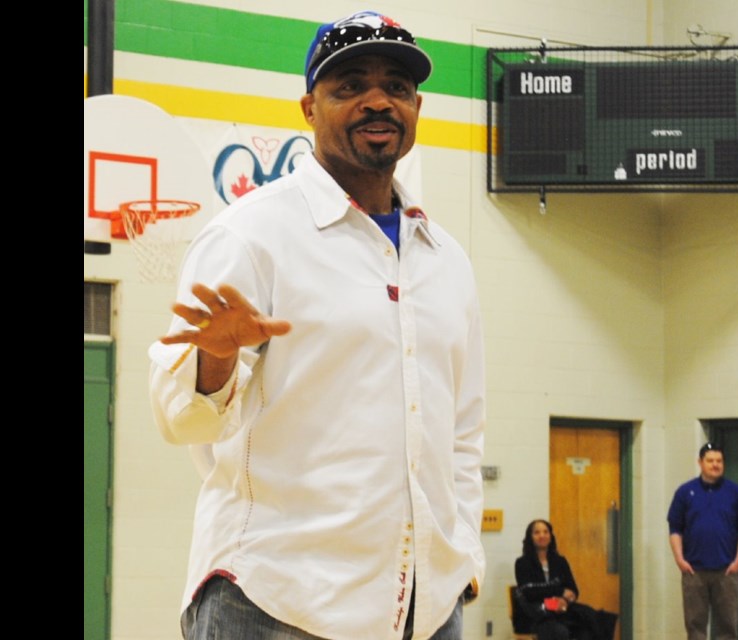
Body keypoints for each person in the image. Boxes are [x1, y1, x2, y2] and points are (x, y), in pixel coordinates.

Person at [148, 11, 485, 640]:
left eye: (397, 87)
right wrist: (215, 361)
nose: (378, 101)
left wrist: (462, 554)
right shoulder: (250, 237)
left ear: (417, 106)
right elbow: (178, 419)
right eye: (350, 85)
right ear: (309, 108)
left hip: (426, 610)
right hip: (274, 604)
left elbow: (463, 431)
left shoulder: (449, 261)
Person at [667, 443, 738, 640]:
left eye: (719, 461)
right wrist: (679, 559)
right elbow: (675, 529)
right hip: (694, 571)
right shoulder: (685, 492)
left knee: (728, 627)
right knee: (695, 627)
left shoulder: (735, 493)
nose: (715, 465)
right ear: (700, 463)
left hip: (727, 572)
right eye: (710, 461)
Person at [513, 519, 602, 640]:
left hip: (561, 611)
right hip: (536, 614)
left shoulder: (560, 561)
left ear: (551, 536)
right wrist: (559, 592)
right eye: (537, 532)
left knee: (592, 622)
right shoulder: (522, 563)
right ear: (530, 537)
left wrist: (564, 600)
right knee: (559, 632)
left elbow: (573, 589)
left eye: (546, 532)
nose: (542, 536)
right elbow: (530, 593)